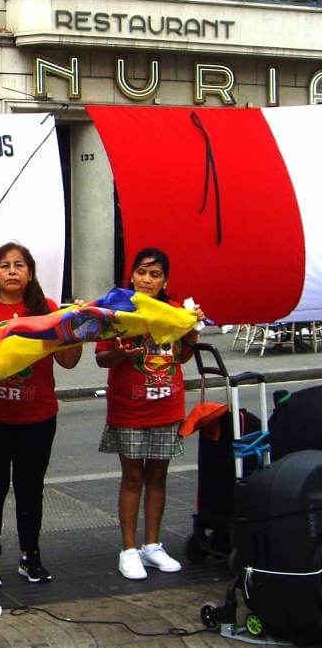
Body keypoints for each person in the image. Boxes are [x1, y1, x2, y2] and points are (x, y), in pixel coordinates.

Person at [0, 242, 82, 588]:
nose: (12, 271)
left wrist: (77, 331)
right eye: (4, 265)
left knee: (31, 490)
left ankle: (31, 556)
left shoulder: (47, 310)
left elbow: (68, 361)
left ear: (30, 273)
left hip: (36, 420)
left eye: (19, 265)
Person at [96, 247, 202, 581]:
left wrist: (193, 327)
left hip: (167, 406)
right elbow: (101, 359)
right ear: (132, 275)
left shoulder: (174, 311)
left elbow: (182, 357)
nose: (147, 279)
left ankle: (152, 545)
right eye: (142, 272)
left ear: (164, 281)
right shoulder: (117, 309)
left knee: (158, 477)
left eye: (155, 274)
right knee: (132, 478)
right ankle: (128, 550)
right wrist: (119, 352)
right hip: (129, 408)